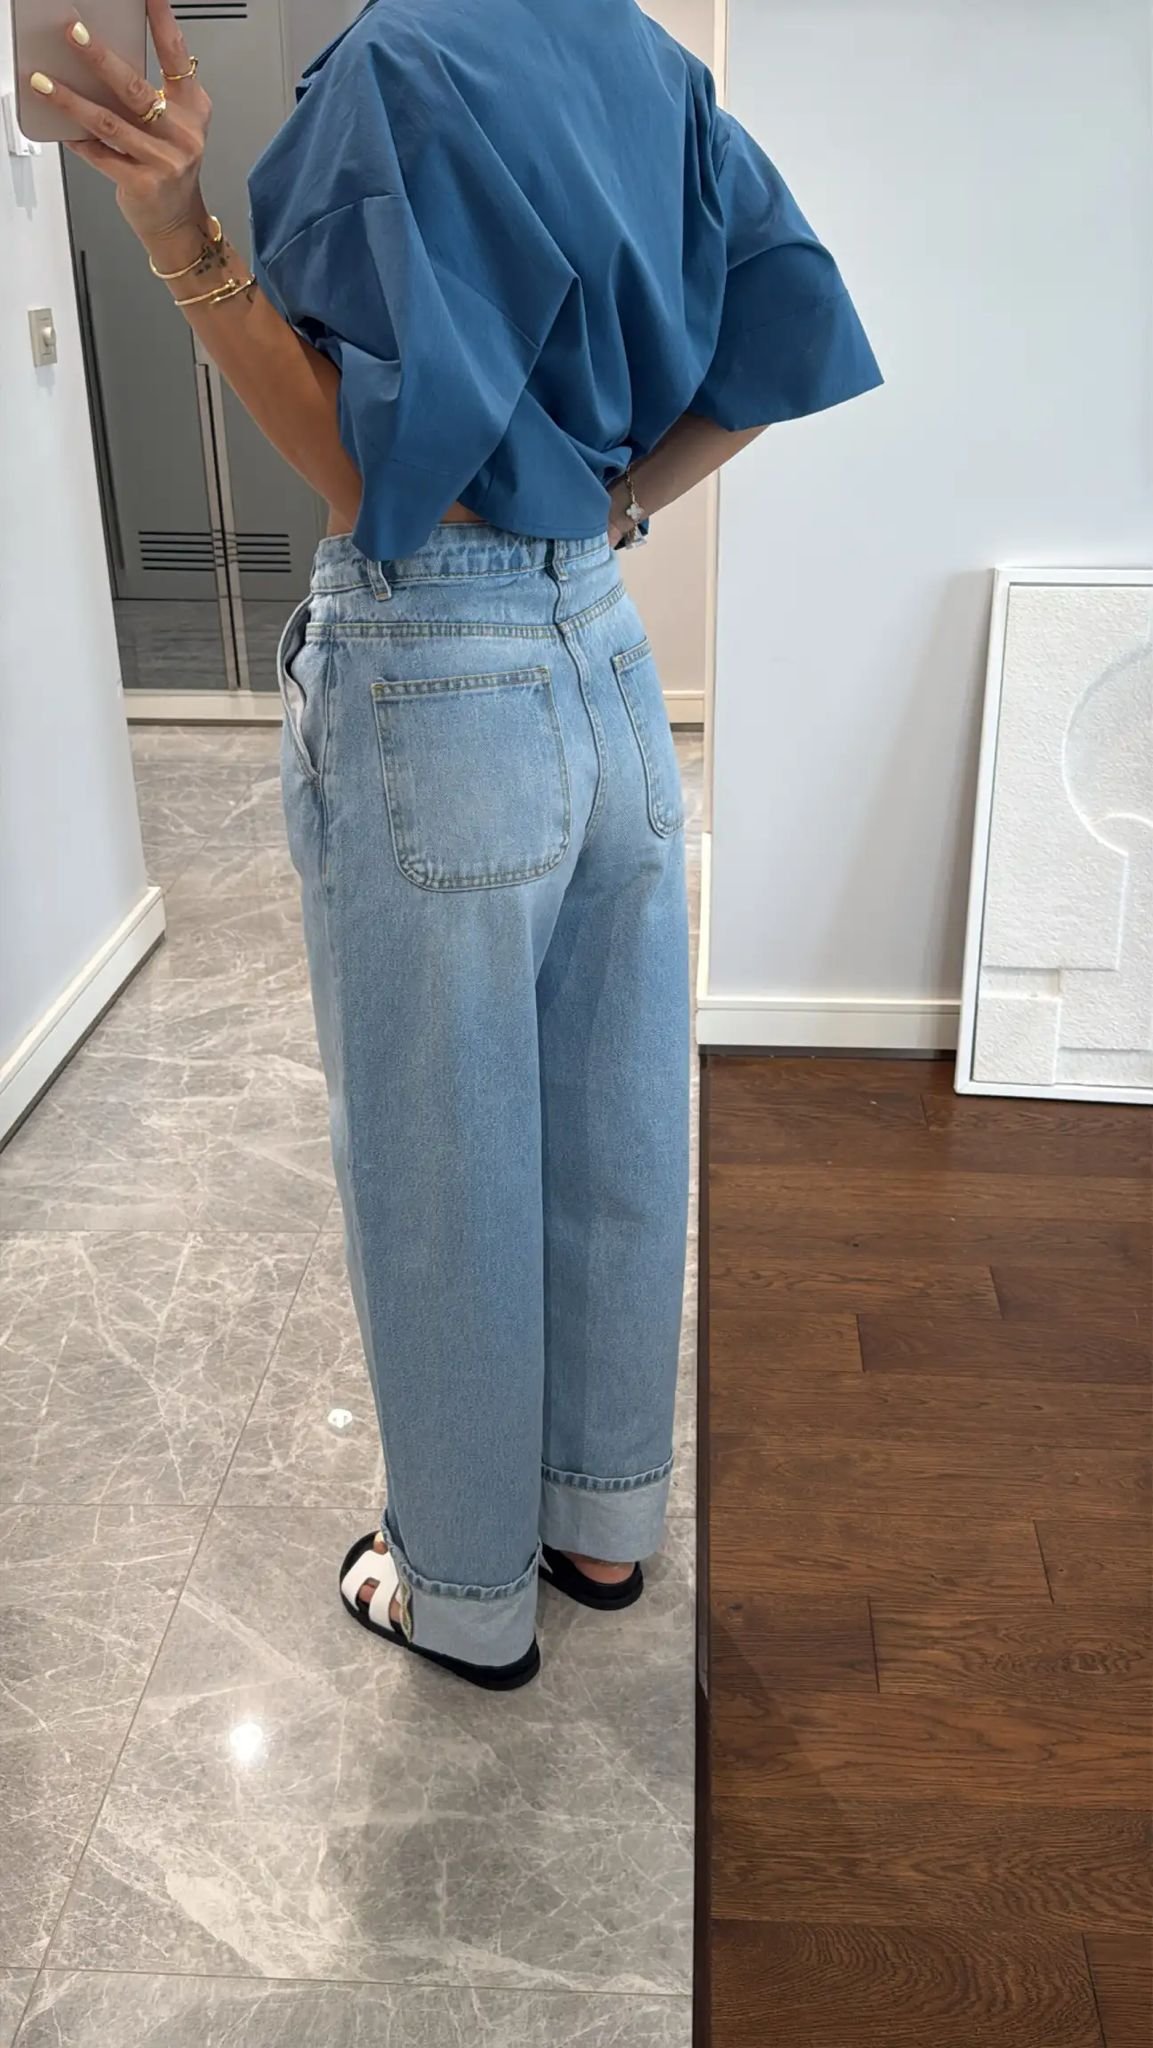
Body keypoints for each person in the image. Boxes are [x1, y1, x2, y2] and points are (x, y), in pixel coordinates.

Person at [42, 0, 881, 1690]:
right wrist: (613, 512)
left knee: (445, 1166)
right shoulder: (648, 63)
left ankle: (468, 1593)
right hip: (604, 659)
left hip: (437, 669)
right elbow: (784, 335)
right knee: (615, 1124)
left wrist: (176, 235)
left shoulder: (389, 67)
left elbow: (374, 483)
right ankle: (600, 1525)